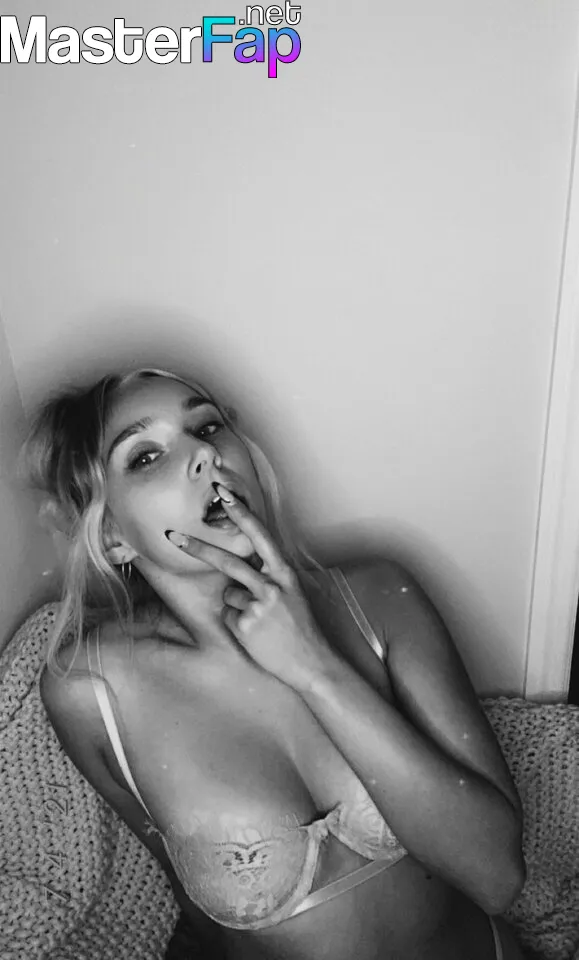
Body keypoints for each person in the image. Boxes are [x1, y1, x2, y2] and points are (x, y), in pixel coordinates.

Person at [25, 367, 528, 959]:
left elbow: (497, 877)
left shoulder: (379, 598)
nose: (205, 454)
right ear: (112, 536)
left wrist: (316, 669)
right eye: (145, 456)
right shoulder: (90, 692)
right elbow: (194, 901)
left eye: (206, 427)